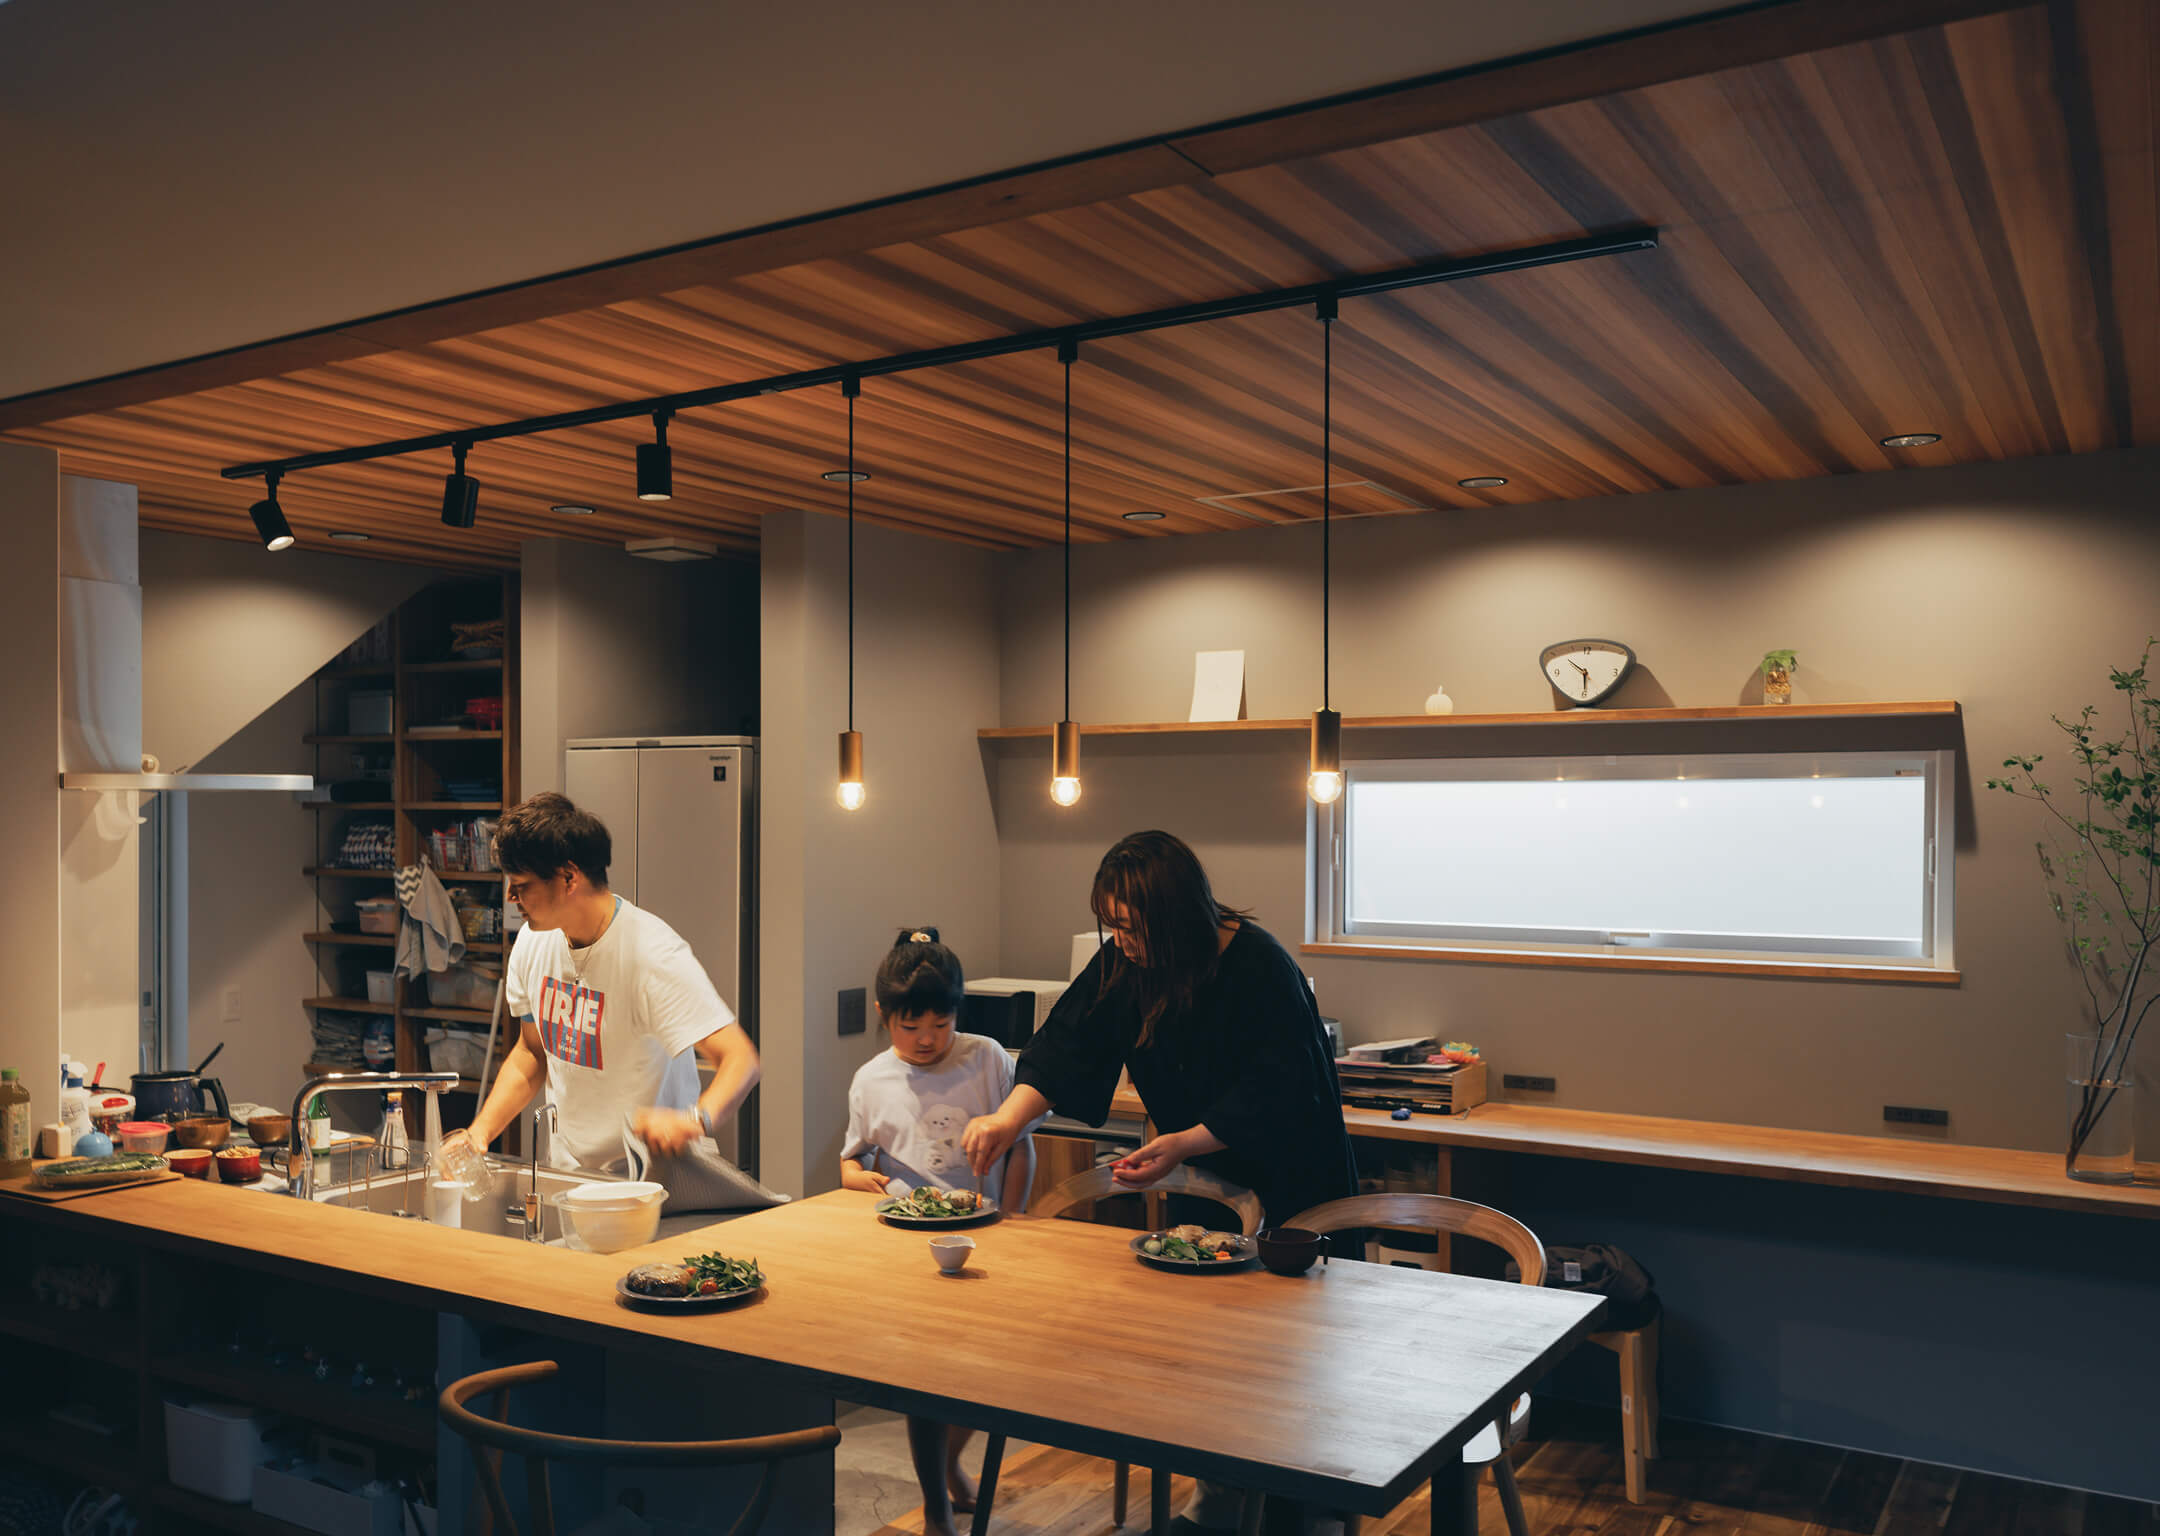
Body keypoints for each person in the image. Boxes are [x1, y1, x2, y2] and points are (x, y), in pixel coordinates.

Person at [961, 830, 1353, 1536]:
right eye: (1112, 925)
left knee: (1285, 1364)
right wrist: (1006, 1118)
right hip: (1209, 1178)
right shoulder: (1127, 964)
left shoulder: (1259, 966)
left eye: (1133, 927)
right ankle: (1220, 1510)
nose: (1122, 941)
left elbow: (1280, 1088)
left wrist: (1184, 1143)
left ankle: (1296, 1510)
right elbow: (1068, 1043)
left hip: (1295, 1180)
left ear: (1177, 917)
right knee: (1209, 1355)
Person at [449, 792, 759, 1176]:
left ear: (568, 877)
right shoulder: (532, 943)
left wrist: (695, 1120)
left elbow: (741, 1060)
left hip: (655, 1178)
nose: (511, 897)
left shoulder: (652, 954)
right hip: (571, 1175)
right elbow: (532, 1053)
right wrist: (479, 1133)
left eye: (522, 885)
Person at [841, 927, 1034, 1536]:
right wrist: (859, 1179)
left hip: (987, 1239)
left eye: (941, 1024)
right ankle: (936, 1505)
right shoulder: (871, 1079)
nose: (927, 1039)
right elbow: (852, 1161)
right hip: (908, 1248)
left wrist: (1016, 1216)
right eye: (910, 1026)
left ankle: (949, 1465)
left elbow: (1022, 1145)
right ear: (883, 1015)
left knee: (993, 1370)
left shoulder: (988, 1058)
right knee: (924, 1379)